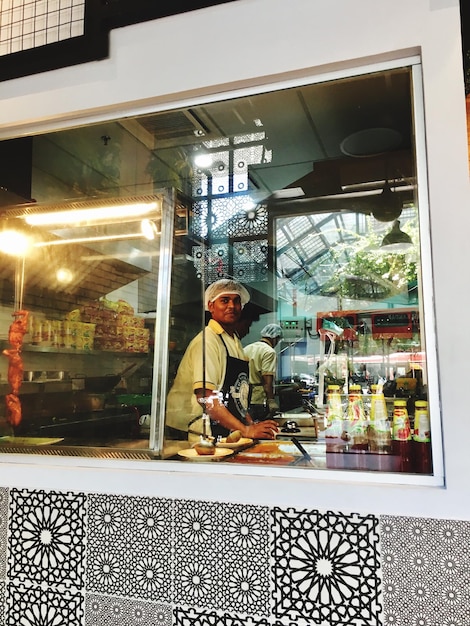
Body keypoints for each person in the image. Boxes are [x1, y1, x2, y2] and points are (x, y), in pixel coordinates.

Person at [165, 278, 279, 441]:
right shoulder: (207, 341)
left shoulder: (234, 341)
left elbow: (236, 393)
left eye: (236, 301)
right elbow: (205, 396)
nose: (231, 306)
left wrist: (249, 423)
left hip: (226, 429)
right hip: (202, 432)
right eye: (224, 300)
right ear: (211, 306)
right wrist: (246, 430)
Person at [244, 323, 283, 422]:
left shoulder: (247, 348)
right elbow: (267, 380)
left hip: (244, 397)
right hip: (259, 400)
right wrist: (271, 400)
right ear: (275, 338)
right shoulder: (269, 352)